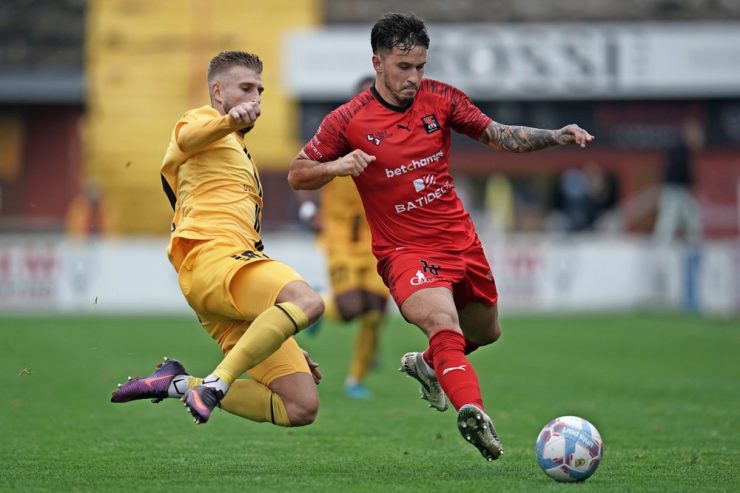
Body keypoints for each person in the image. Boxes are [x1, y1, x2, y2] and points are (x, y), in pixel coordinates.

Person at [288, 13, 593, 461]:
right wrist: (337, 166)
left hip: (460, 241)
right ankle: (473, 411)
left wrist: (556, 136)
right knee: (442, 325)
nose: (414, 77)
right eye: (403, 67)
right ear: (378, 62)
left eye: (420, 67)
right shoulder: (348, 119)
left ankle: (430, 364)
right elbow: (298, 173)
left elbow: (498, 134)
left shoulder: (442, 98)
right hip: (405, 251)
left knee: (486, 332)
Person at [110, 51, 325, 428]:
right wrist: (227, 120)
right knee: (307, 300)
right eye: (245, 88)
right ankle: (215, 384)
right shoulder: (203, 121)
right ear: (218, 91)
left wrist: (274, 328)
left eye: (259, 89)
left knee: (300, 407)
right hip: (213, 259)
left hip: (227, 277)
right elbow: (189, 137)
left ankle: (178, 383)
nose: (255, 97)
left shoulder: (239, 153)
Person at [304, 76, 390, 400]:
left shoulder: (393, 138)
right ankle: (319, 305)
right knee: (353, 308)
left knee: (376, 311)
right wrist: (310, 209)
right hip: (339, 236)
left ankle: (355, 380)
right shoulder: (333, 134)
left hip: (376, 238)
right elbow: (301, 170)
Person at [653, 118, 702, 242]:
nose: (697, 136)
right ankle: (659, 251)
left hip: (682, 191)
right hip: (673, 191)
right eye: (694, 133)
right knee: (667, 222)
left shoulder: (687, 151)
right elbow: (676, 173)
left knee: (692, 221)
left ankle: (695, 247)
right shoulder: (678, 149)